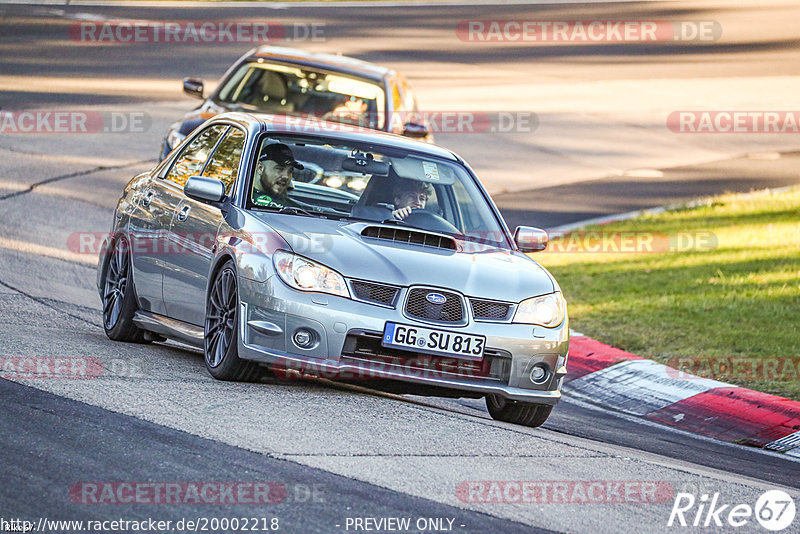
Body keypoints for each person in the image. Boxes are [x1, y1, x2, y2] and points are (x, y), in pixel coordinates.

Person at [252, 143, 304, 208]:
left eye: (290, 171)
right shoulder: (242, 198)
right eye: (280, 168)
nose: (286, 176)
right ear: (260, 168)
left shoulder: (294, 209)